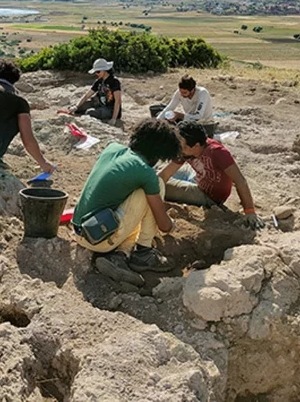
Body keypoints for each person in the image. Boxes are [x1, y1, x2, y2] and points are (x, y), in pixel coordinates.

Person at [71, 118, 181, 287]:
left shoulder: (113, 149)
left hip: (81, 229)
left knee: (137, 195)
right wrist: (171, 225)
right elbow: (164, 226)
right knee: (155, 186)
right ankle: (143, 253)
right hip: (98, 238)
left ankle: (119, 256)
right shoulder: (146, 173)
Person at [163, 120, 265, 230]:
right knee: (154, 176)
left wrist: (249, 211)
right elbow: (165, 173)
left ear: (196, 145)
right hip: (199, 177)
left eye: (182, 145)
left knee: (162, 187)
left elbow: (240, 181)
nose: (178, 147)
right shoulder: (186, 151)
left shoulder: (218, 152)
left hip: (208, 196)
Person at [67, 58, 123, 124]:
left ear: (105, 70)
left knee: (90, 112)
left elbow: (118, 100)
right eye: (95, 72)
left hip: (110, 109)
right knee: (77, 108)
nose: (96, 74)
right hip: (99, 104)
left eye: (98, 71)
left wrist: (114, 118)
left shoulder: (114, 82)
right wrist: (76, 106)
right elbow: (87, 95)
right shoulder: (99, 81)